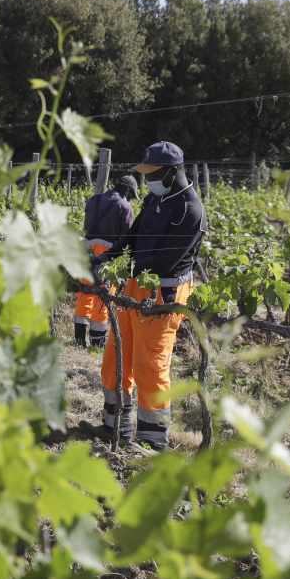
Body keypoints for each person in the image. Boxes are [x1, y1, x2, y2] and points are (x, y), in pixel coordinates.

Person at [91, 142, 206, 449]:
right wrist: (107, 256)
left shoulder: (189, 209)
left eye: (153, 173)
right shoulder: (156, 200)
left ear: (171, 172)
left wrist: (139, 279)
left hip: (163, 291)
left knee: (150, 364)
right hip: (135, 284)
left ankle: (152, 440)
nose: (148, 180)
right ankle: (116, 428)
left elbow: (168, 260)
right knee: (117, 354)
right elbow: (133, 236)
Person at [73, 174, 138, 348]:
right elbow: (127, 237)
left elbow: (86, 225)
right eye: (131, 195)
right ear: (127, 190)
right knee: (104, 296)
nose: (130, 198)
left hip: (86, 248)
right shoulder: (124, 206)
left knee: (85, 291)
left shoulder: (94, 199)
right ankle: (97, 343)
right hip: (107, 252)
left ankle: (79, 340)